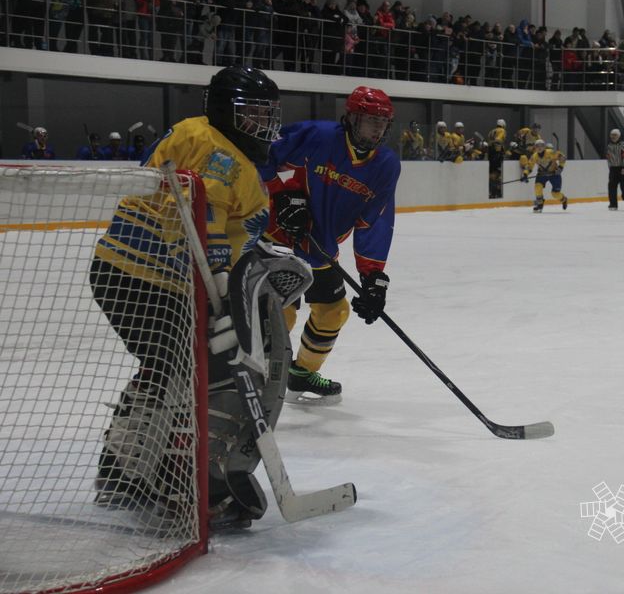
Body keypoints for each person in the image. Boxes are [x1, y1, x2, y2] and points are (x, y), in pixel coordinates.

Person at [89, 66, 286, 530]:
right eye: (253, 113)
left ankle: (122, 472)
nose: (264, 123)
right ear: (226, 111)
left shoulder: (227, 147)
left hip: (147, 277)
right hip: (145, 279)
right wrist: (219, 280)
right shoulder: (214, 147)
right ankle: (185, 483)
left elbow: (229, 220)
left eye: (267, 113)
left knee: (166, 371)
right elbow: (203, 213)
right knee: (201, 375)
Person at [259, 85, 400, 406]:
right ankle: (262, 377)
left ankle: (301, 375)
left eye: (382, 124)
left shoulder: (386, 164)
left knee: (334, 312)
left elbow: (374, 220)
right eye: (369, 122)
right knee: (281, 315)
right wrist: (281, 194)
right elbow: (261, 155)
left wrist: (373, 278)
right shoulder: (317, 135)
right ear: (350, 118)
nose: (376, 130)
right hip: (279, 239)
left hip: (319, 247)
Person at [522, 139, 566, 213]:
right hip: (542, 174)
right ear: (535, 148)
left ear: (544, 147)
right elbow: (529, 167)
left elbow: (563, 157)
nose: (539, 148)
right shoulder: (534, 156)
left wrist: (560, 168)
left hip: (554, 174)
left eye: (541, 146)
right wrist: (525, 174)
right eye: (537, 146)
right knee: (537, 186)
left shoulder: (551, 152)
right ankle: (540, 204)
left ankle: (564, 199)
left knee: (555, 194)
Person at [606, 128, 624, 210]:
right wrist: (610, 167)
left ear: (619, 136)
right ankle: (613, 204)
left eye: (615, 135)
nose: (613, 136)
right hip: (613, 169)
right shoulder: (609, 146)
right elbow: (608, 157)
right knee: (611, 187)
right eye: (612, 135)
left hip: (622, 168)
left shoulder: (622, 145)